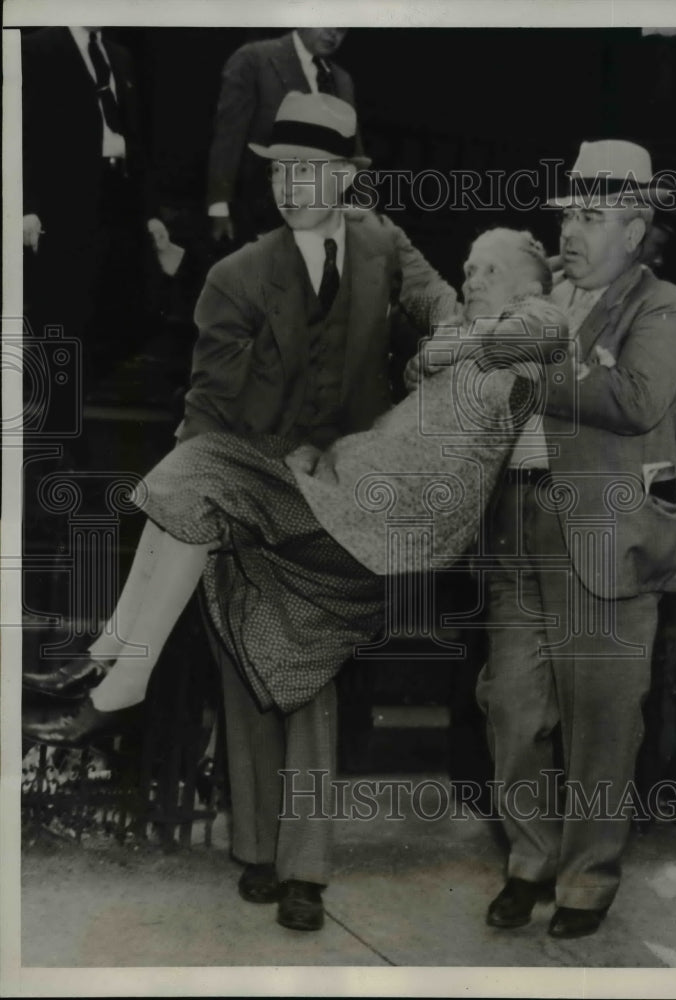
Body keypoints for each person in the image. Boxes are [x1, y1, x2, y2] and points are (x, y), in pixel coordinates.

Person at [22, 222, 565, 926]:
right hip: (328, 494)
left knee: (205, 486)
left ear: (530, 282)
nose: (472, 277)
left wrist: (447, 343)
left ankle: (127, 677)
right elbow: (411, 288)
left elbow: (532, 327)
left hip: (379, 523)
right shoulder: (395, 303)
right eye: (470, 266)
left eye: (489, 269)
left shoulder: (528, 330)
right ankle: (132, 680)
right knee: (220, 558)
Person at [23, 88, 458, 934]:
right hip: (254, 487)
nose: (292, 187)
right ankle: (257, 850)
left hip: (342, 505)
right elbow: (210, 407)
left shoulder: (383, 244)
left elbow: (442, 306)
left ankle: (303, 870)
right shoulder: (238, 275)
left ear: (347, 178)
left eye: (310, 171)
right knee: (248, 675)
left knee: (309, 682)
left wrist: (458, 341)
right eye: (280, 171)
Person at [468, 140, 676, 940]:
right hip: (517, 527)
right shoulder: (546, 298)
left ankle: (586, 879)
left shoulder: (665, 307)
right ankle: (529, 860)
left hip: (607, 535)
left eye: (593, 217)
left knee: (602, 722)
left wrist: (528, 360)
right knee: (510, 709)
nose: (571, 230)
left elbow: (634, 399)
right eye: (569, 213)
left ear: (634, 232)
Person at [22, 26, 168, 388]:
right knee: (61, 305)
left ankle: (85, 392)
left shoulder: (119, 56)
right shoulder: (36, 48)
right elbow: (20, 132)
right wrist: (26, 206)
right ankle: (58, 401)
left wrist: (150, 212)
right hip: (62, 197)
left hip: (119, 195)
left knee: (114, 302)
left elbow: (138, 138)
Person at [207, 28, 358, 246]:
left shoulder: (342, 79)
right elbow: (228, 136)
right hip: (261, 211)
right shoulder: (254, 59)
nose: (333, 33)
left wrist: (363, 209)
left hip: (323, 217)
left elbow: (353, 151)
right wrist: (219, 206)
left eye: (342, 28)